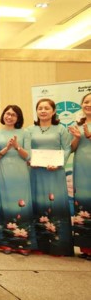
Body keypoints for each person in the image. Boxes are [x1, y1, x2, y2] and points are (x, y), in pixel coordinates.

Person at [27, 98, 73, 256]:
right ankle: (38, 244)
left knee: (55, 203)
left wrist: (60, 163)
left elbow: (67, 149)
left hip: (55, 172)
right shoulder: (29, 130)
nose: (43, 111)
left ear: (53, 111)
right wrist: (29, 160)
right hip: (35, 171)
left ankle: (58, 245)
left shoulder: (61, 129)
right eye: (40, 108)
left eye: (47, 108)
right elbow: (26, 150)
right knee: (36, 203)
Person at [0, 105, 35, 256]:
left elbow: (28, 156)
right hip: (2, 171)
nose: (9, 117)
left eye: (13, 115)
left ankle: (23, 243)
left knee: (22, 205)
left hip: (21, 172)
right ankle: (6, 242)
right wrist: (6, 148)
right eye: (7, 114)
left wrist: (16, 146)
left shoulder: (25, 133)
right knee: (5, 205)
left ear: (18, 118)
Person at [69, 92, 91, 260]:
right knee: (83, 201)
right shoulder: (78, 123)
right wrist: (77, 137)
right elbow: (73, 148)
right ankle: (85, 246)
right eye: (86, 101)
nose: (88, 104)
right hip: (81, 165)